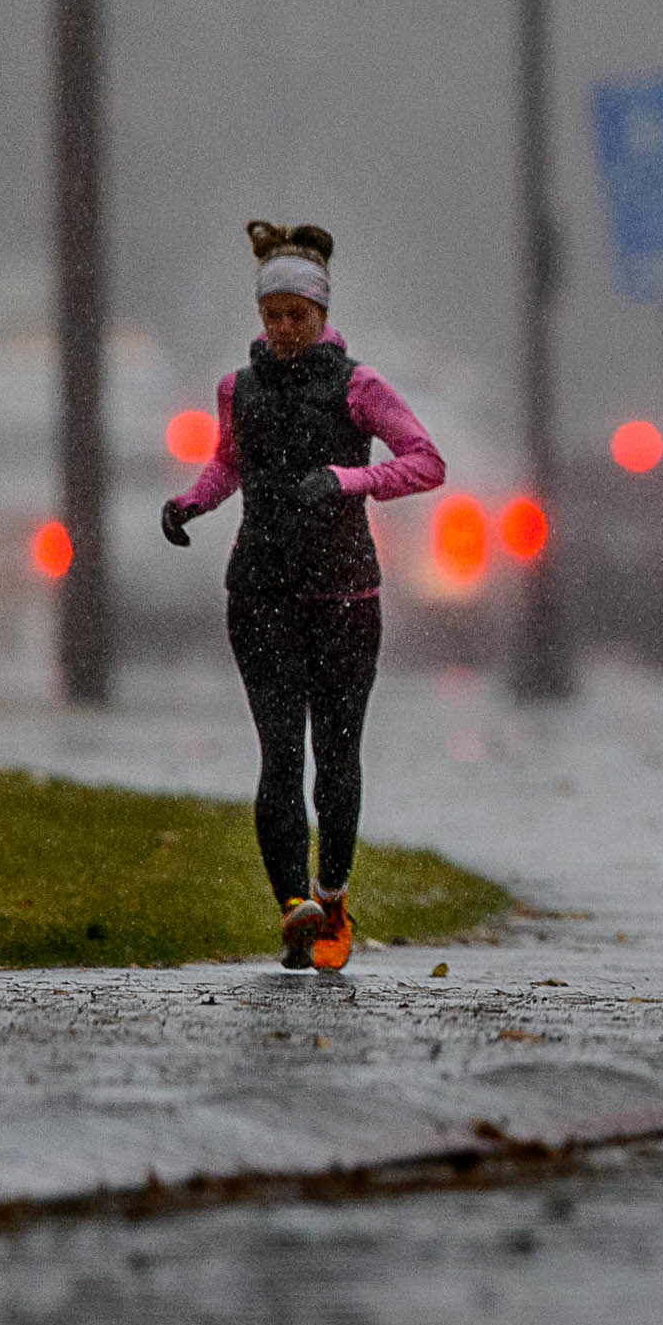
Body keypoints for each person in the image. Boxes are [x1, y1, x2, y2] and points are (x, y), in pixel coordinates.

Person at [161, 221, 445, 970]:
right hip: (258, 590)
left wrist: (347, 479)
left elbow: (427, 461)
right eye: (273, 315)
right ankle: (294, 906)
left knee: (337, 754)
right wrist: (191, 501)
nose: (285, 328)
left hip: (345, 593)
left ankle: (334, 899)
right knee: (280, 754)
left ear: (322, 312)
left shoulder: (359, 386)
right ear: (261, 316)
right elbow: (228, 463)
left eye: (298, 315)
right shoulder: (239, 388)